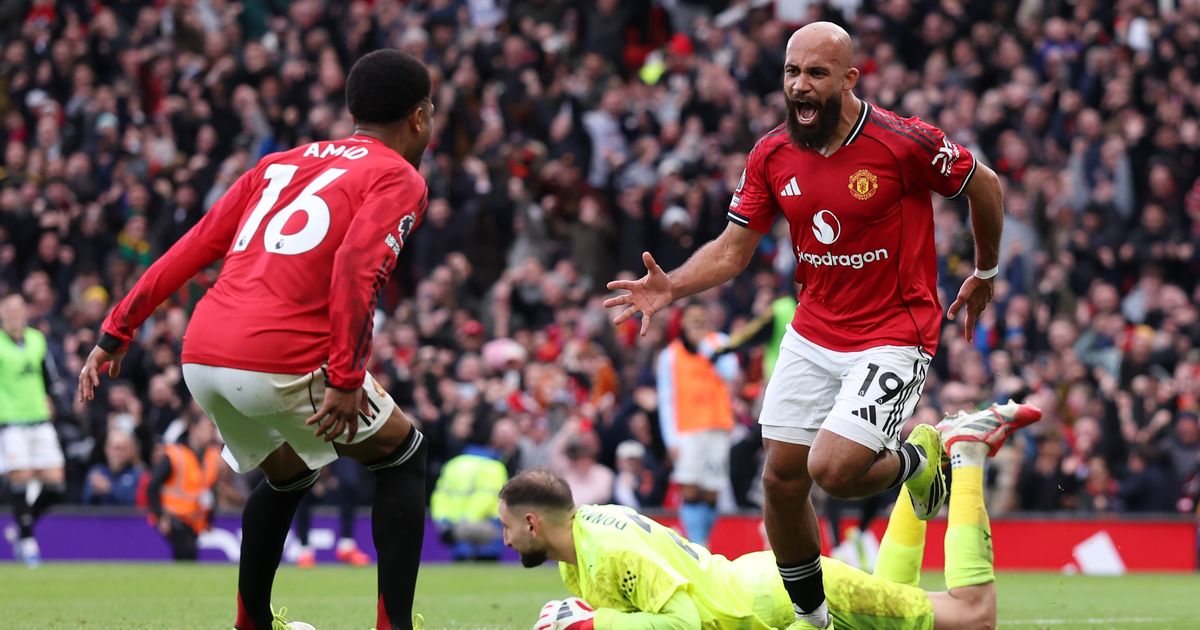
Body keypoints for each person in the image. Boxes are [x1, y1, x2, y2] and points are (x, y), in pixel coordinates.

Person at [603, 21, 1005, 627]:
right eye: (792, 73)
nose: (800, 86)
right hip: (815, 329)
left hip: (895, 331)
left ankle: (921, 464)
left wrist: (986, 269)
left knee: (833, 470)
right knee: (782, 478)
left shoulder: (903, 142)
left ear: (848, 79)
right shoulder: (772, 153)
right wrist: (673, 286)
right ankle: (814, 619)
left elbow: (986, 186)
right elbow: (734, 250)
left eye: (816, 73)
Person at [77, 49, 435, 630]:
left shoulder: (277, 164)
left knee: (291, 472)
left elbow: (190, 248)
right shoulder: (397, 176)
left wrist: (117, 331)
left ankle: (252, 622)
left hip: (203, 355)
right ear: (418, 117)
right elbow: (355, 270)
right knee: (404, 456)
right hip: (281, 355)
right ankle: (393, 625)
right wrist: (344, 377)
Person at [501, 401, 1041, 630]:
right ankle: (930, 456)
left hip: (784, 604)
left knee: (974, 617)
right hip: (771, 592)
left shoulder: (604, 551)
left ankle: (964, 451)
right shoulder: (584, 541)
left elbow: (687, 624)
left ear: (531, 523)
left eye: (506, 527)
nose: (504, 541)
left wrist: (598, 623)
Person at [655, 302, 738, 547]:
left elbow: (730, 373)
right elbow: (666, 399)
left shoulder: (720, 343)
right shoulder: (669, 355)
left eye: (701, 318)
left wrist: (705, 346)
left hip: (717, 426)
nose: (697, 323)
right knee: (689, 486)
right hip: (687, 429)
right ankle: (697, 542)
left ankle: (704, 539)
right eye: (692, 318)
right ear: (682, 322)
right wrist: (671, 438)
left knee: (712, 490)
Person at [0, 293, 67, 567]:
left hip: (39, 418)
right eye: (9, 309)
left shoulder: (37, 340)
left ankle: (20, 527)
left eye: (19, 309)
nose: (15, 314)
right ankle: (27, 541)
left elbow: (50, 376)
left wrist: (60, 401)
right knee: (22, 477)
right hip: (10, 421)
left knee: (55, 483)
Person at [146, 415, 222, 561]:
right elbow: (153, 486)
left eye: (212, 429)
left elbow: (211, 490)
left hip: (194, 520)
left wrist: (209, 519)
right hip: (173, 516)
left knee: (190, 555)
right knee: (186, 551)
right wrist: (160, 516)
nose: (211, 433)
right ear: (193, 430)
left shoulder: (212, 457)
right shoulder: (175, 454)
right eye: (207, 428)